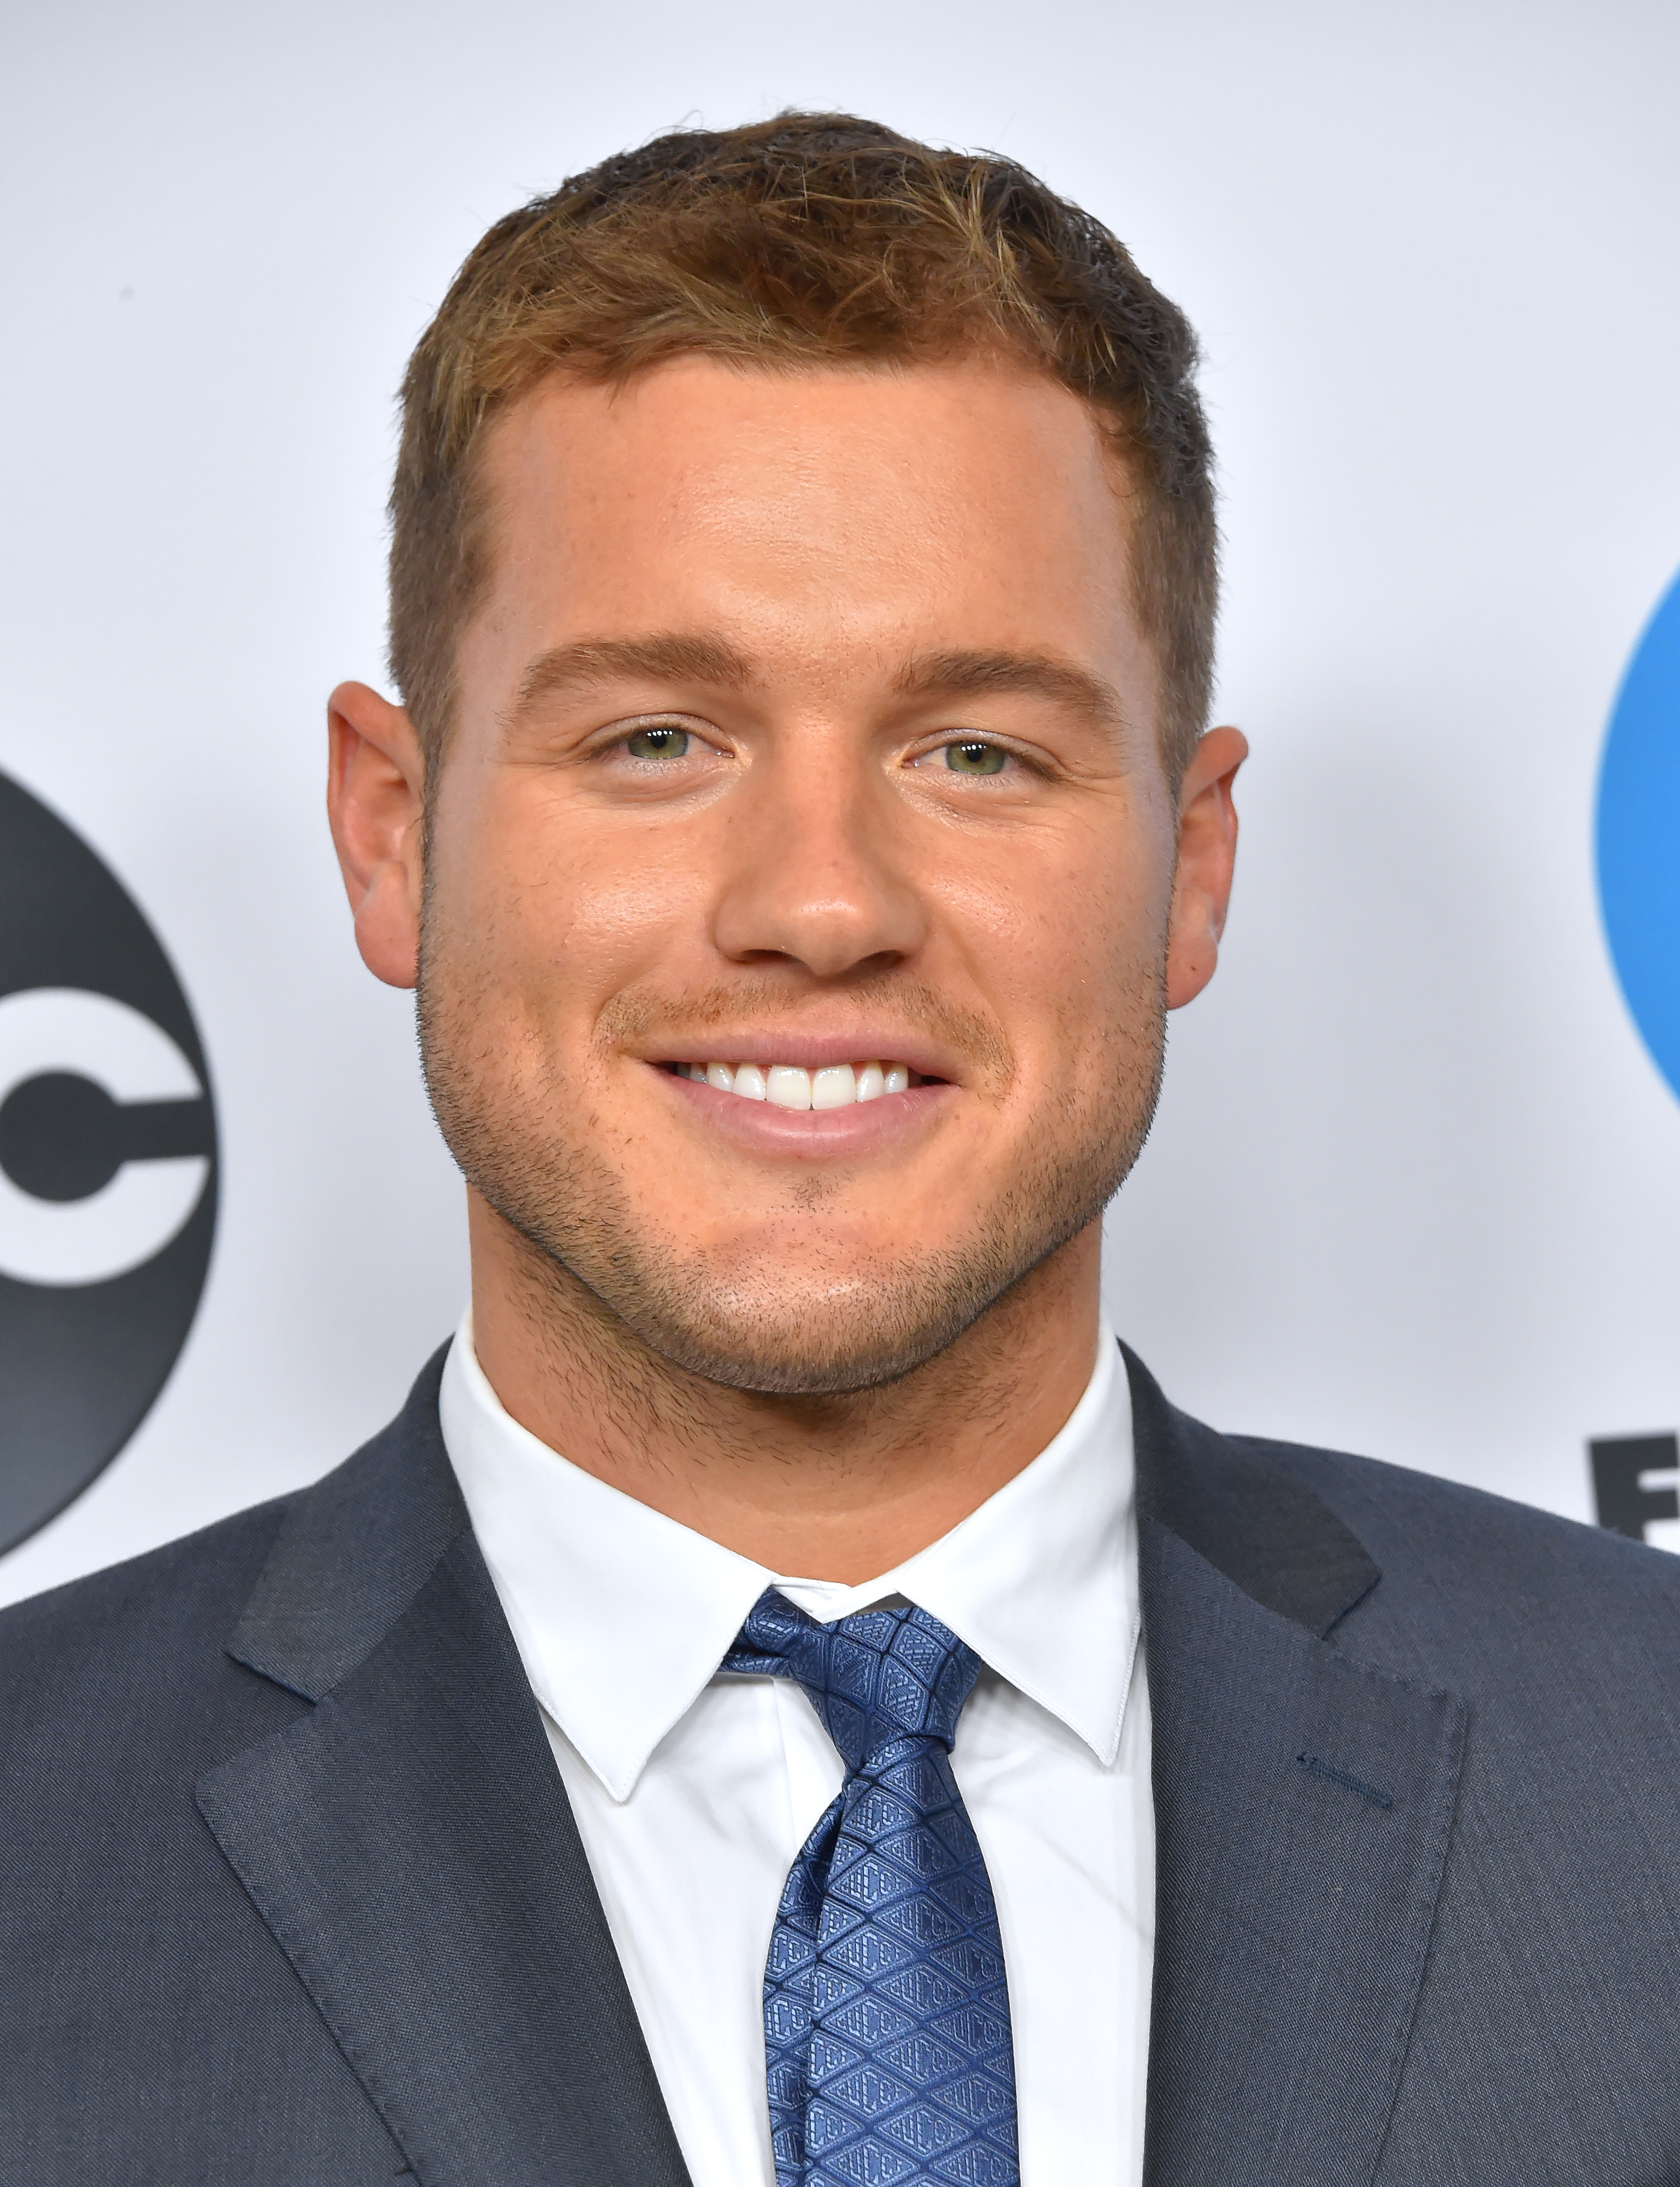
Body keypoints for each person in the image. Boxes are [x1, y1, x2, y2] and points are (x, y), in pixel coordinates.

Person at [3, 111, 1678, 2187]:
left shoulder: (1654, 1762)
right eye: (656, 742)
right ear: (391, 834)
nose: (818, 898)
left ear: (1190, 868)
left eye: (976, 750)